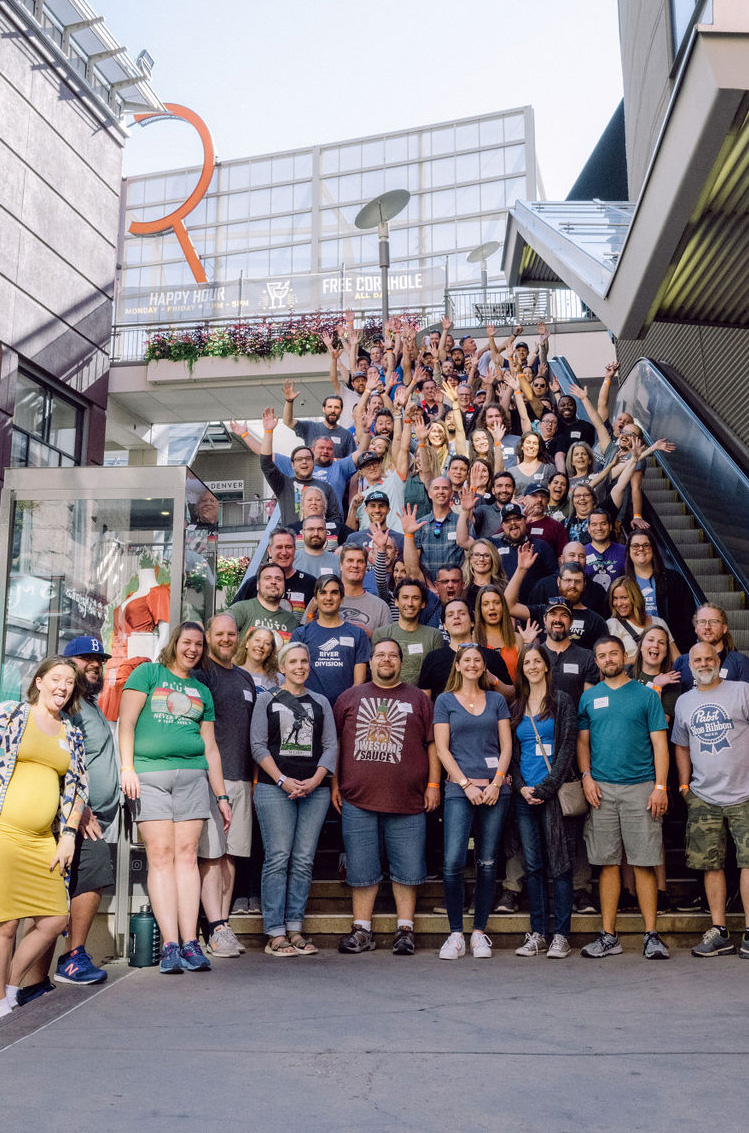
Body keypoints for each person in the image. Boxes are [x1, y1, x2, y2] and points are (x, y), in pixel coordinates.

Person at [119, 622, 232, 975]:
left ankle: (190, 943)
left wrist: (222, 795)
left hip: (194, 778)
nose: (193, 649)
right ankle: (169, 944)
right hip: (149, 778)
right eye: (187, 642)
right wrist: (126, 769)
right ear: (175, 643)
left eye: (199, 644)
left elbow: (210, 747)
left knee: (186, 858)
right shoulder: (148, 673)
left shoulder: (201, 690)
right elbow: (126, 723)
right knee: (161, 857)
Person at [333, 639, 440, 956]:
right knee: (362, 870)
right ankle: (361, 930)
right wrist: (334, 783)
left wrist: (434, 784)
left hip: (408, 802)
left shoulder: (418, 699)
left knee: (407, 871)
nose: (387, 660)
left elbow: (432, 744)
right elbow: (336, 744)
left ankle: (405, 929)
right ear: (370, 661)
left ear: (401, 662)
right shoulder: (349, 698)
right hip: (357, 799)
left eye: (393, 655)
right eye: (381, 654)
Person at [25, 638, 119, 993]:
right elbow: (59, 758)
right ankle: (73, 956)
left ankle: (34, 984)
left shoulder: (87, 705)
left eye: (99, 659)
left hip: (89, 818)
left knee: (56, 901)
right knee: (86, 878)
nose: (95, 664)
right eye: (86, 659)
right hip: (74, 819)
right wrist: (78, 811)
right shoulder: (67, 706)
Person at [0, 657, 87, 1016]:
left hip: (43, 841)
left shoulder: (72, 731)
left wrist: (68, 833)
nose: (63, 686)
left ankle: (9, 987)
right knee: (6, 924)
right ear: (39, 682)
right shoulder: (10, 715)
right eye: (56, 678)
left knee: (54, 917)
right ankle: (0, 1001)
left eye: (69, 682)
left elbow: (79, 787)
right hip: (5, 834)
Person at [577, 635, 671, 960]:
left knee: (644, 862)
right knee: (607, 864)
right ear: (596, 661)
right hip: (602, 789)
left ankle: (651, 934)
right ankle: (608, 936)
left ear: (625, 656)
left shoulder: (646, 696)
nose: (607, 659)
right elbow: (583, 743)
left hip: (641, 788)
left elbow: (660, 744)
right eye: (601, 655)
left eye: (612, 653)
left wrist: (661, 787)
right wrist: (586, 777)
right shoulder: (590, 698)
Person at [250, 642, 336, 956]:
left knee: (302, 861)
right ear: (282, 667)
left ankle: (295, 928)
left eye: (305, 661)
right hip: (275, 789)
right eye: (293, 662)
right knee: (278, 858)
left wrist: (314, 781)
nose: (300, 666)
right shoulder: (267, 700)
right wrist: (283, 780)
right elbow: (258, 746)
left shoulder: (321, 702)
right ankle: (274, 932)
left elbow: (330, 747)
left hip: (314, 791)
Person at [434, 644, 512, 959]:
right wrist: (465, 784)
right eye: (466, 659)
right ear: (457, 664)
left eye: (477, 660)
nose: (472, 664)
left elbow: (506, 747)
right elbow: (442, 749)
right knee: (453, 861)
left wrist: (496, 783)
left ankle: (479, 932)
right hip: (458, 789)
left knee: (488, 861)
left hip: (495, 790)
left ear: (483, 666)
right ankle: (455, 934)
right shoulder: (444, 700)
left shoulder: (496, 700)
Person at [672, 643, 749, 959]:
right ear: (689, 665)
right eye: (697, 660)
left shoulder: (742, 691)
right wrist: (684, 785)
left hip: (745, 793)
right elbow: (681, 745)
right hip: (703, 796)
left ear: (719, 662)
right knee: (710, 864)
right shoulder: (684, 702)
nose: (704, 663)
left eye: (709, 659)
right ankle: (719, 932)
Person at [194, 615, 256, 959]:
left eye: (232, 634)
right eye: (219, 634)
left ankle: (223, 924)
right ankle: (213, 927)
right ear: (208, 636)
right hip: (209, 779)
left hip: (243, 778)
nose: (226, 639)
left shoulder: (245, 677)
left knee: (231, 855)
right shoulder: (202, 674)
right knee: (211, 855)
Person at [510, 644, 578, 959]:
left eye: (538, 661)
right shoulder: (517, 705)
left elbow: (567, 748)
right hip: (525, 797)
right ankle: (538, 933)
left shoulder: (562, 702)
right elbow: (512, 754)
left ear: (547, 667)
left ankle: (561, 935)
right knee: (534, 866)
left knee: (560, 866)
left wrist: (546, 788)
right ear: (522, 668)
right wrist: (522, 787)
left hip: (553, 794)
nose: (533, 666)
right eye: (528, 662)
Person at [291, 575, 370, 707]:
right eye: (323, 593)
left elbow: (358, 685)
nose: (328, 598)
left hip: (345, 708)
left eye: (334, 593)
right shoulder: (301, 634)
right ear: (315, 599)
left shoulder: (358, 634)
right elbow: (293, 678)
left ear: (342, 598)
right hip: (308, 708)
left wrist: (346, 706)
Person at [418, 598, 513, 702]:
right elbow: (424, 703)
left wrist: (493, 680)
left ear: (472, 622)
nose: (456, 617)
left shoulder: (492, 656)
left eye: (462, 613)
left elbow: (511, 696)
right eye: (450, 615)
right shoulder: (433, 658)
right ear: (444, 625)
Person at [259, 408, 341, 525]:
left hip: (318, 540)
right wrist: (268, 432)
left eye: (308, 459)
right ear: (292, 464)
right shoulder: (283, 484)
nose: (304, 462)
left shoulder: (325, 487)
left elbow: (335, 517)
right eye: (299, 459)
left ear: (313, 463)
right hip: (291, 540)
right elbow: (266, 464)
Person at [624, 530, 696, 653]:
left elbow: (687, 614)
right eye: (635, 545)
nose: (641, 549)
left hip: (669, 646)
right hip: (633, 647)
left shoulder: (673, 579)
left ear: (653, 549)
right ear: (628, 550)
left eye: (646, 545)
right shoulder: (622, 583)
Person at [371, 578, 443, 684]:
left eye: (415, 598)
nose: (410, 603)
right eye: (405, 597)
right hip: (387, 697)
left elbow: (436, 676)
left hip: (421, 698)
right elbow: (375, 672)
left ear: (423, 603)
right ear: (396, 602)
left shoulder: (434, 635)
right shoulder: (381, 633)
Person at [232, 528, 315, 620]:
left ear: (295, 550)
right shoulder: (254, 583)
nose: (284, 552)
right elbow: (231, 616)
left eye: (288, 547)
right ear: (270, 551)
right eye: (279, 547)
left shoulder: (310, 583)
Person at [674, 604, 749, 691]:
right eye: (702, 621)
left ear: (724, 628)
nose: (707, 627)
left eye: (714, 621)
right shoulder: (682, 662)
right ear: (696, 628)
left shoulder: (740, 662)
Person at [606, 575, 678, 664]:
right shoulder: (612, 625)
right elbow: (611, 663)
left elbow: (676, 658)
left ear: (635, 597)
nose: (619, 603)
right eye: (615, 598)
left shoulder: (659, 622)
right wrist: (644, 657)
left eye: (624, 598)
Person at [228, 562, 298, 643]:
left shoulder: (291, 620)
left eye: (279, 579)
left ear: (284, 586)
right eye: (268, 578)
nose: (273, 582)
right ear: (258, 585)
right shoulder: (241, 610)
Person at [474, 584, 523, 681]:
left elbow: (522, 678)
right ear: (480, 609)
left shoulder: (517, 638)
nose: (492, 607)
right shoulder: (473, 639)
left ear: (503, 606)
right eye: (486, 604)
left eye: (496, 602)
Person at [584, 510, 626, 595]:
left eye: (603, 524)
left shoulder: (624, 551)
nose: (599, 528)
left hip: (618, 603)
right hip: (590, 605)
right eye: (594, 524)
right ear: (588, 528)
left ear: (610, 527)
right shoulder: (581, 553)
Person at [235, 626, 283, 693]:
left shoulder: (279, 680)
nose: (261, 645)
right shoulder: (232, 673)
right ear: (247, 643)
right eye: (257, 640)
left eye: (267, 643)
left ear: (270, 651)